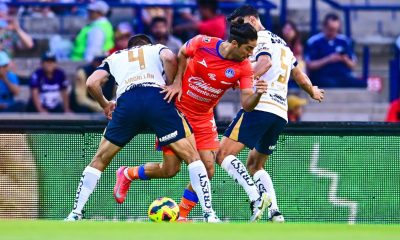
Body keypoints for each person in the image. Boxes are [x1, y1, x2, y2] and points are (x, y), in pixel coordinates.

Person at [118, 22, 270, 222]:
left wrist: (258, 94)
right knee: (170, 170)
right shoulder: (202, 43)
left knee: (208, 169)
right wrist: (177, 82)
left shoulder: (243, 68)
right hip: (177, 111)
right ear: (234, 43)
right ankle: (128, 173)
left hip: (204, 117)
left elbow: (247, 104)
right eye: (249, 48)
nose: (250, 55)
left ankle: (182, 215)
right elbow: (181, 53)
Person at [65, 34, 220, 222]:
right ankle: (209, 215)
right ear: (148, 45)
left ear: (129, 47)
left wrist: (105, 104)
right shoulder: (156, 49)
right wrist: (171, 84)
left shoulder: (114, 56)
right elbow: (171, 58)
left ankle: (75, 213)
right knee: (193, 158)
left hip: (127, 103)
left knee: (99, 160)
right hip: (156, 99)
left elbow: (91, 82)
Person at [214, 5, 324, 222]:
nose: (238, 30)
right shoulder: (282, 43)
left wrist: (241, 79)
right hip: (279, 112)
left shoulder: (260, 39)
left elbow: (265, 62)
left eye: (240, 24)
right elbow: (299, 75)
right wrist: (312, 90)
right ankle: (275, 213)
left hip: (260, 105)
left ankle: (256, 198)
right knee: (255, 164)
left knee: (223, 154)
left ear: (252, 20)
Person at [305, 13, 365, 88]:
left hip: (342, 76)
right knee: (330, 84)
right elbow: (310, 65)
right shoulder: (314, 41)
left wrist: (344, 59)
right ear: (324, 27)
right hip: (322, 76)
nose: (334, 32)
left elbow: (353, 64)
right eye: (331, 29)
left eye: (336, 30)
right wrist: (329, 59)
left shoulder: (344, 41)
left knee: (362, 84)